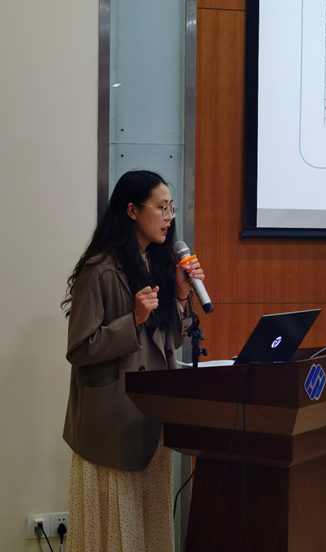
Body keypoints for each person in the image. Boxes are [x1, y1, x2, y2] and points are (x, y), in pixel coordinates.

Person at [61, 170, 204, 552]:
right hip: (112, 426)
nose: (169, 217)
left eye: (171, 208)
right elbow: (79, 349)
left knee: (149, 531)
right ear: (132, 210)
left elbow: (170, 341)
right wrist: (134, 320)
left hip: (150, 420)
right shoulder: (99, 268)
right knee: (115, 535)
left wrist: (180, 296)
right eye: (161, 207)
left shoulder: (158, 264)